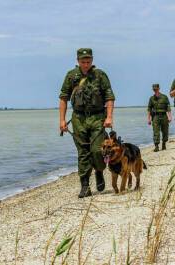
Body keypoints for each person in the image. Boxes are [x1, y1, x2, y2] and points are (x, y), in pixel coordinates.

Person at [59, 48, 115, 198]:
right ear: (78, 61)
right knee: (83, 152)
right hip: (79, 119)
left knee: (98, 150)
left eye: (88, 61)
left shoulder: (100, 75)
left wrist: (109, 117)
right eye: (83, 61)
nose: (85, 64)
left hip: (98, 118)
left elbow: (109, 97)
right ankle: (85, 186)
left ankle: (99, 170)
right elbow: (63, 98)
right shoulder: (71, 76)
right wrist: (62, 120)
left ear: (92, 60)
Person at [147, 84, 172, 152]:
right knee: (156, 132)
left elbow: (168, 107)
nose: (155, 90)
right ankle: (156, 146)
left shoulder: (164, 97)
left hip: (164, 116)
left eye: (156, 89)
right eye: (154, 89)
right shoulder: (151, 98)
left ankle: (164, 143)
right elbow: (149, 109)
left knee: (165, 131)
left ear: (159, 88)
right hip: (155, 117)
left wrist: (170, 116)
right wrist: (148, 119)